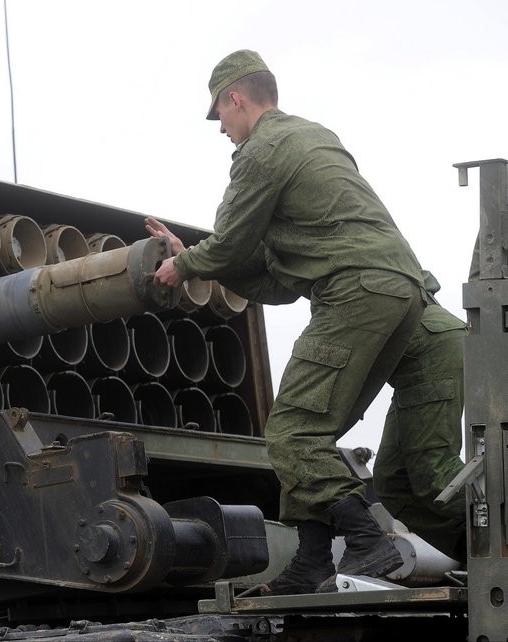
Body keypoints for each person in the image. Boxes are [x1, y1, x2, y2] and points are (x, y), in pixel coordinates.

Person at [150, 49, 432, 595]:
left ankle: (366, 540)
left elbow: (230, 240)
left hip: (354, 290)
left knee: (289, 430)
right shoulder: (313, 136)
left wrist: (181, 264)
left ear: (236, 98)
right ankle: (310, 560)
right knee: (312, 434)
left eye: (221, 116)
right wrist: (201, 261)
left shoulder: (262, 149)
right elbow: (278, 283)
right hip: (401, 292)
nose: (223, 131)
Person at [371, 274, 468, 564]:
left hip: (429, 344)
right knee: (393, 480)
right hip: (408, 359)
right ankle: (476, 551)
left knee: (435, 475)